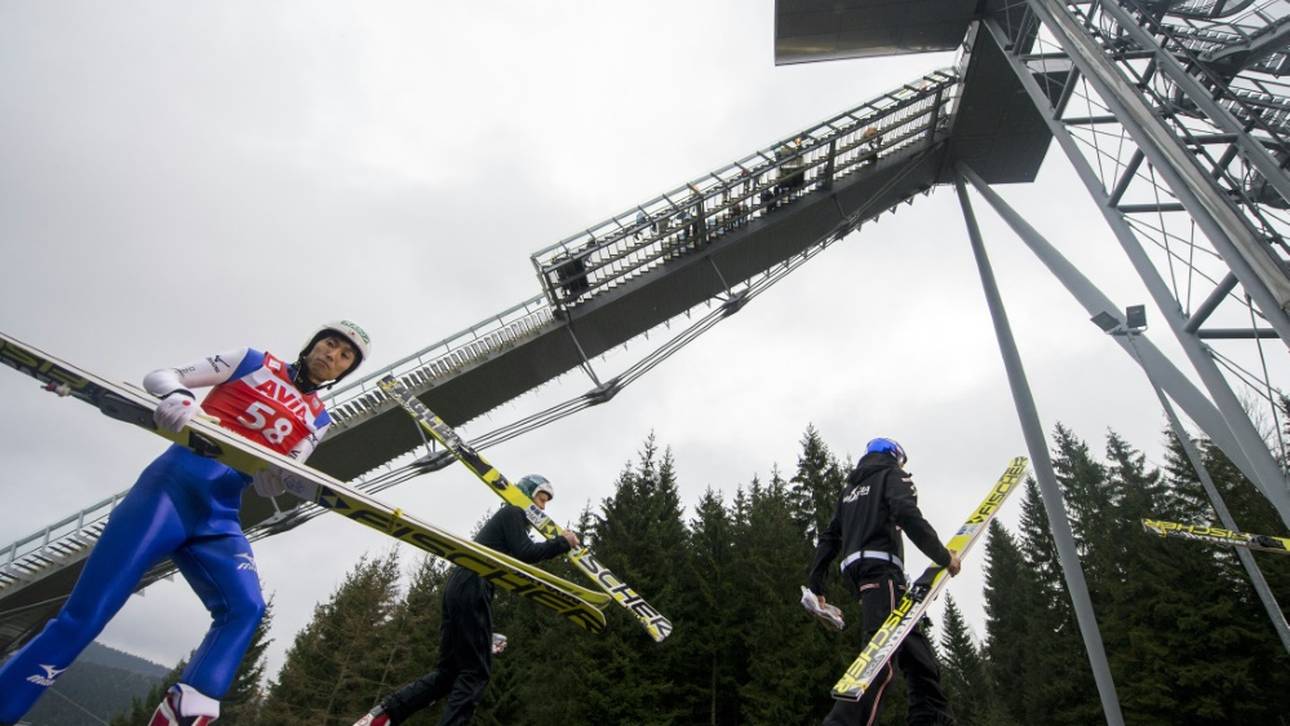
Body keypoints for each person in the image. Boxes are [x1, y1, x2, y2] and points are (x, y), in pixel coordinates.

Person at [0, 321, 371, 726]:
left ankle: (183, 711)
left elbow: (273, 481)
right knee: (86, 616)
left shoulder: (320, 420)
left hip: (219, 517)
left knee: (246, 608)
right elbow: (161, 376)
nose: (332, 355)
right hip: (169, 492)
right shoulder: (251, 361)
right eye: (329, 344)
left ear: (345, 371)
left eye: (344, 356)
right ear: (312, 344)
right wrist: (180, 398)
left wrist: (281, 478)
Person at [355, 474, 579, 726]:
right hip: (474, 582)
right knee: (475, 673)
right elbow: (526, 553)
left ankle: (384, 715)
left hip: (458, 585)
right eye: (541, 498)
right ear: (527, 494)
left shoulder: (509, 520)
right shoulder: (513, 512)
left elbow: (520, 555)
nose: (543, 507)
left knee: (449, 674)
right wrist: (563, 543)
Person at [808, 438, 961, 726]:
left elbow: (830, 537)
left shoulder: (849, 492)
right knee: (880, 658)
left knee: (917, 656)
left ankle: (930, 716)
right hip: (882, 574)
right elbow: (907, 513)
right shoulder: (891, 474)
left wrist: (816, 584)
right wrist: (943, 557)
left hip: (865, 577)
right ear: (895, 456)